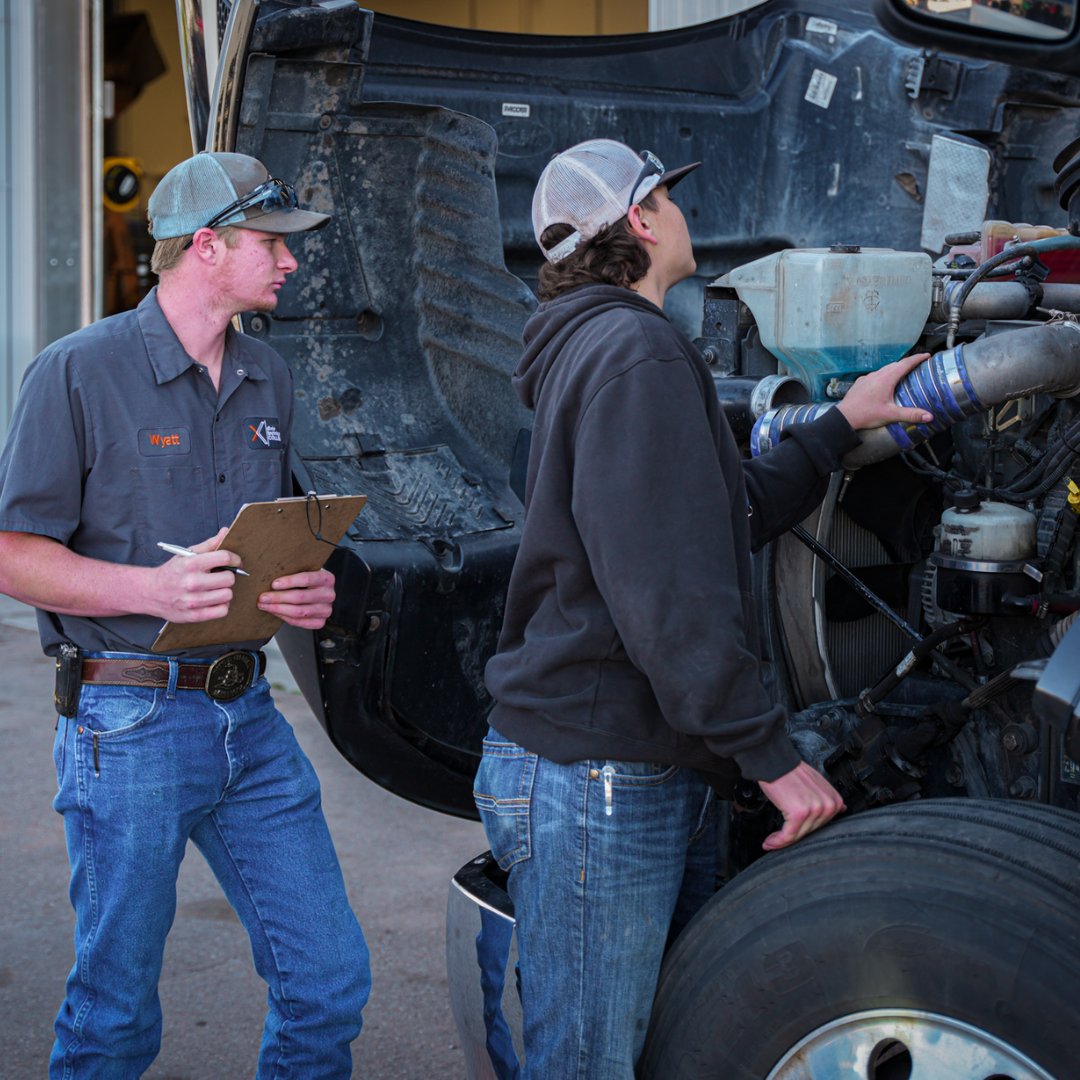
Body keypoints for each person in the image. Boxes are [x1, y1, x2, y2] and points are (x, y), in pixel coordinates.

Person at [473, 138, 936, 1079]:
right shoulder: (635, 353)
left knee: (653, 1046)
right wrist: (769, 755)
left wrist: (842, 424)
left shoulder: (601, 346)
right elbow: (666, 592)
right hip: (600, 772)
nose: (687, 215)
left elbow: (722, 514)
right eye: (670, 200)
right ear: (641, 221)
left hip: (614, 762)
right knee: (589, 1063)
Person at [0, 151, 370, 1078]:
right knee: (113, 1016)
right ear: (205, 247)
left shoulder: (267, 376)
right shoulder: (75, 372)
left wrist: (305, 593)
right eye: (270, 244)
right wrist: (149, 592)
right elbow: (11, 555)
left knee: (327, 985)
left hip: (249, 717)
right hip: (128, 728)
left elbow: (269, 540)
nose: (290, 263)